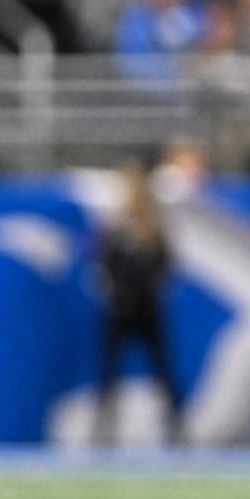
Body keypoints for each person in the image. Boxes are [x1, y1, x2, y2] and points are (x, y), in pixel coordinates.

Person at [93, 158, 182, 446]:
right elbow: (104, 261)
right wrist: (116, 289)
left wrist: (150, 288)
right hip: (120, 305)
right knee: (110, 368)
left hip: (146, 306)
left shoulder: (154, 223)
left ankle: (175, 424)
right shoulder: (115, 222)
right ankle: (105, 426)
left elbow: (165, 262)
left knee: (162, 367)